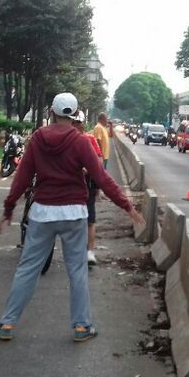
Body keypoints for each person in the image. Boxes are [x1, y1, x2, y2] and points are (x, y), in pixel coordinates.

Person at [0, 93, 144, 342]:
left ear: (51, 112)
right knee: (76, 270)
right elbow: (101, 177)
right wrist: (126, 205)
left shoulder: (37, 139)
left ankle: (7, 324)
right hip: (74, 213)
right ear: (74, 115)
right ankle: (82, 327)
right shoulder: (81, 141)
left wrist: (9, 209)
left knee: (27, 269)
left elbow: (21, 179)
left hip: (43, 212)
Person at [71, 110, 102, 266]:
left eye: (79, 123)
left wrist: (87, 169)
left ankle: (89, 251)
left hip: (87, 184)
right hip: (68, 185)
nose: (77, 126)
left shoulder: (89, 139)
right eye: (74, 123)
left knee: (90, 219)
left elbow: (98, 161)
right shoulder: (64, 139)